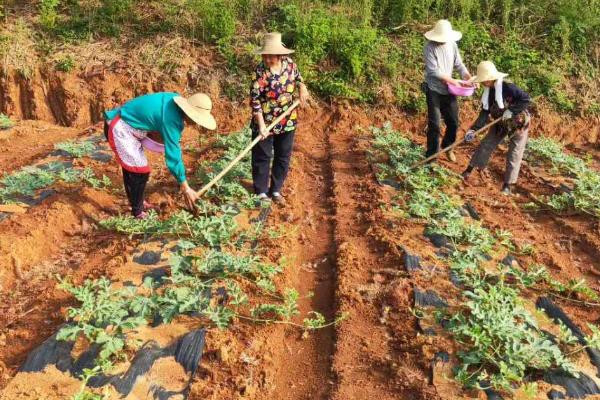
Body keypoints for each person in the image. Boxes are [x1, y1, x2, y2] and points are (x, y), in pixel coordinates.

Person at [103, 92, 217, 218]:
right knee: (139, 172)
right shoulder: (171, 120)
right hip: (120, 127)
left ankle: (137, 204)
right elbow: (173, 157)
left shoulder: (173, 101)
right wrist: (186, 187)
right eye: (196, 119)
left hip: (129, 125)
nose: (196, 123)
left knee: (133, 170)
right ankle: (137, 212)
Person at [250, 32, 310, 203]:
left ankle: (275, 190)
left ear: (280, 55)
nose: (267, 60)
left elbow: (299, 79)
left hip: (287, 118)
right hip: (265, 121)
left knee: (283, 155)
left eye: (271, 57)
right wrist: (261, 125)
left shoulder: (290, 65)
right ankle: (261, 191)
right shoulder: (260, 73)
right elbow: (255, 101)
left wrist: (302, 87)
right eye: (265, 56)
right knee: (262, 155)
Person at [461, 61, 532, 195]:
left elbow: (526, 99)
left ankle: (508, 185)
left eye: (483, 80)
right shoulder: (488, 93)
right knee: (486, 144)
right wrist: (473, 130)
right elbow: (484, 113)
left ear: (490, 78)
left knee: (514, 152)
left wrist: (511, 110)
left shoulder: (508, 87)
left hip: (518, 123)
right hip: (501, 122)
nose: (481, 83)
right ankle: (468, 170)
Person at [423, 19, 473, 162]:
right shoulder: (429, 47)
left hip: (449, 90)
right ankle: (431, 157)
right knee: (435, 124)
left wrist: (467, 77)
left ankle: (447, 147)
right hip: (433, 90)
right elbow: (433, 71)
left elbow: (459, 64)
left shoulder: (452, 44)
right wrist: (453, 81)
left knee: (454, 122)